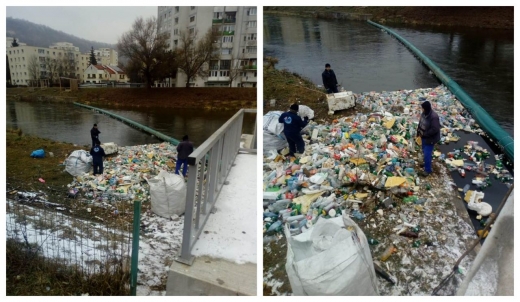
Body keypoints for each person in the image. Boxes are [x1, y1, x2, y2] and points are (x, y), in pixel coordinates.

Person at [417, 101, 441, 177]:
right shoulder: (424, 113)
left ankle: (428, 170)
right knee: (424, 150)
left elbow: (435, 129)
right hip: (424, 136)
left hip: (430, 139)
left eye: (423, 108)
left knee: (427, 153)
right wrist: (418, 131)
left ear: (426, 108)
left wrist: (425, 134)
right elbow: (421, 122)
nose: (422, 110)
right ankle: (426, 163)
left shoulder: (434, 117)